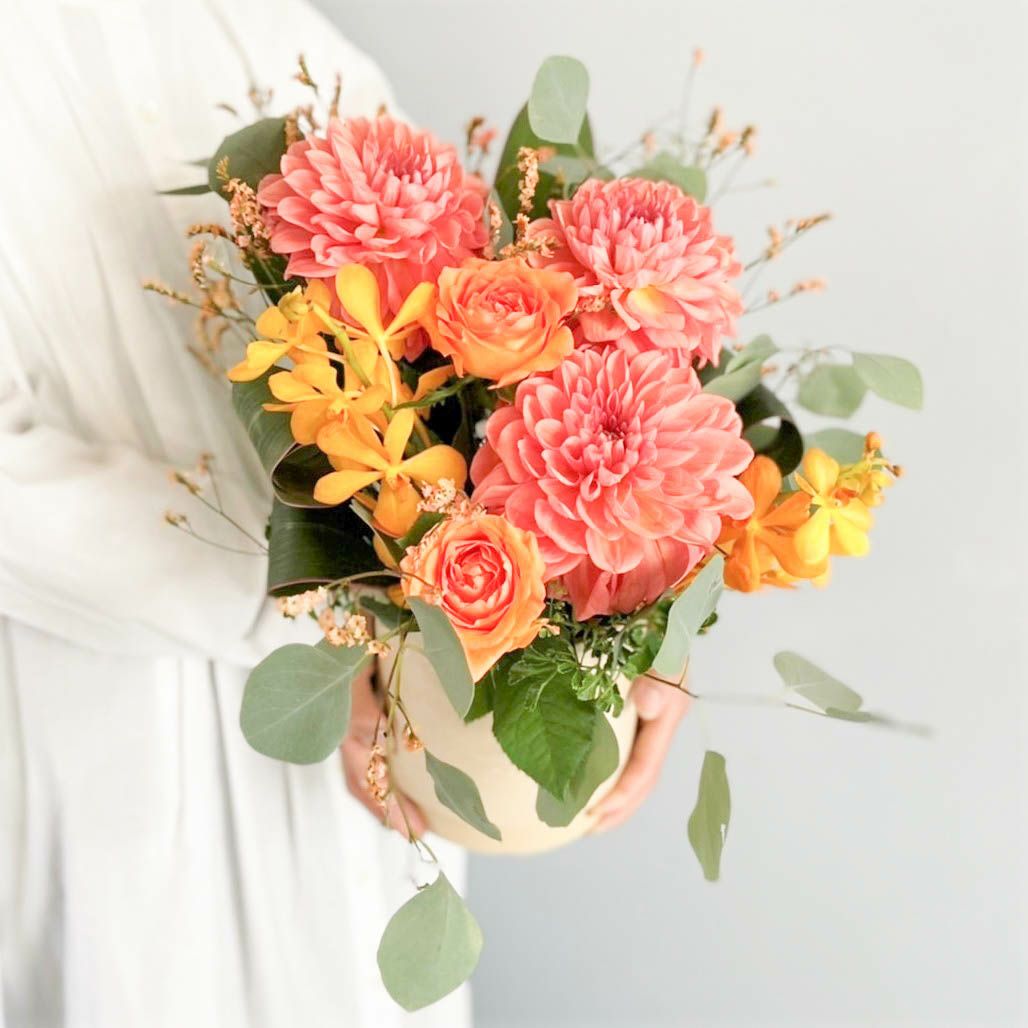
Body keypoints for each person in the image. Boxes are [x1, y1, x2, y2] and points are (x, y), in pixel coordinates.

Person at [0, 1, 687, 1025]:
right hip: (114, 732)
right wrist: (322, 598)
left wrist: (629, 596)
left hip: (358, 730)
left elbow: (463, 351)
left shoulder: (274, 33)